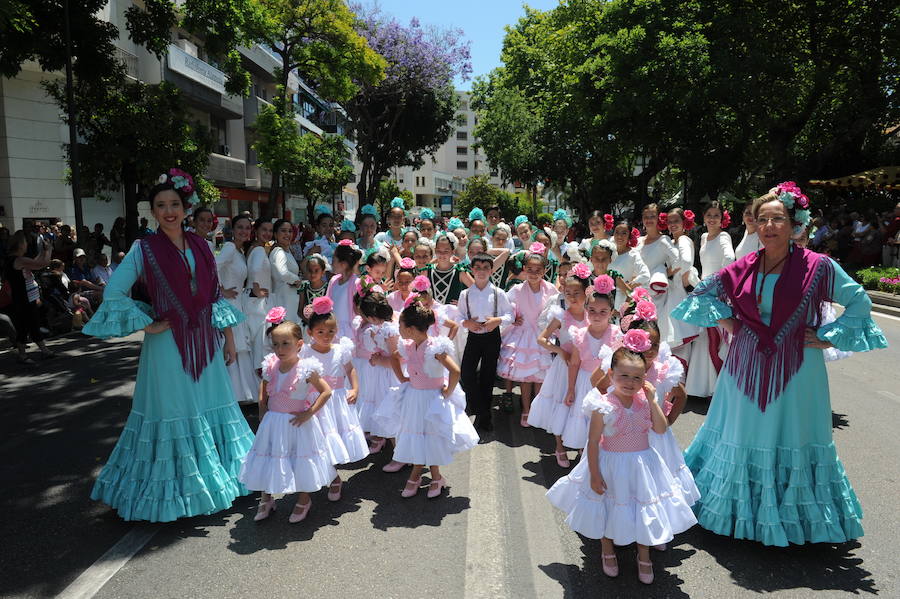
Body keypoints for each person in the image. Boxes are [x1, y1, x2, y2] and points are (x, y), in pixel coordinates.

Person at [672, 181, 888, 546]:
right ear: (753, 224)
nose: (769, 226)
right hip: (744, 366)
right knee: (744, 433)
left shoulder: (819, 267)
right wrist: (729, 323)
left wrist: (828, 335)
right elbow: (704, 294)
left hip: (799, 370)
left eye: (778, 218)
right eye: (763, 219)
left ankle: (794, 521)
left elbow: (859, 302)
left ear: (795, 224)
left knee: (792, 435)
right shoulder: (743, 267)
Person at [82, 169, 253, 522]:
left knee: (213, 405)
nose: (169, 211)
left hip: (206, 343)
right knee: (175, 414)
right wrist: (149, 322)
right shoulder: (144, 248)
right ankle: (177, 495)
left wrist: (230, 339)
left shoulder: (203, 246)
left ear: (185, 206)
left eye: (174, 204)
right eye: (161, 205)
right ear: (153, 210)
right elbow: (114, 292)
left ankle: (225, 480)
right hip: (168, 349)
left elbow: (214, 297)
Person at [547, 336, 698, 584]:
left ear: (644, 379)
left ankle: (644, 554)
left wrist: (652, 399)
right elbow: (593, 442)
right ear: (611, 373)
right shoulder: (602, 405)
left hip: (643, 464)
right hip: (611, 464)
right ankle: (607, 550)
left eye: (637, 377)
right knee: (609, 505)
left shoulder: (644, 402)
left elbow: (660, 429)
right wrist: (595, 474)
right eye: (624, 376)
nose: (630, 382)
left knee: (642, 508)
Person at [240, 314, 334, 523]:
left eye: (285, 344)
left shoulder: (307, 368)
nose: (279, 349)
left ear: (299, 344)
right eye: (275, 344)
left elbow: (326, 392)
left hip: (297, 423)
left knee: (300, 459)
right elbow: (264, 385)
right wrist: (262, 408)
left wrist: (309, 413)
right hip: (273, 422)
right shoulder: (271, 364)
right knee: (268, 457)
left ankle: (304, 498)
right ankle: (266, 498)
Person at [388, 301, 479, 498]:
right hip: (414, 397)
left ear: (411, 329)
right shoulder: (408, 346)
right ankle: (434, 477)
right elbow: (394, 357)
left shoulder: (435, 347)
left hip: (431, 399)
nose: (399, 330)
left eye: (401, 326)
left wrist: (447, 391)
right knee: (418, 435)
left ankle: (420, 477)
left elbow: (455, 371)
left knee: (430, 436)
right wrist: (403, 378)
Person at [300, 298, 367, 503]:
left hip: (337, 401)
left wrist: (355, 388)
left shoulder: (341, 349)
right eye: (320, 332)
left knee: (333, 441)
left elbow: (350, 369)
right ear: (310, 332)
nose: (326, 336)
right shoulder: (304, 352)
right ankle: (330, 476)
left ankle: (333, 477)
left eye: (331, 331)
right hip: (315, 402)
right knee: (317, 441)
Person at [528, 262, 589, 466]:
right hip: (563, 368)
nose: (572, 296)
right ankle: (559, 446)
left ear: (586, 292)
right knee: (561, 404)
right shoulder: (561, 316)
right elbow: (541, 339)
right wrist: (560, 351)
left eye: (577, 292)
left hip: (585, 369)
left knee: (581, 406)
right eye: (568, 292)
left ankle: (581, 444)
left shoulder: (592, 316)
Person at [561, 277, 623, 451]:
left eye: (603, 311)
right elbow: (574, 364)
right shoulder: (580, 334)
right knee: (584, 417)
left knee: (605, 418)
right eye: (592, 310)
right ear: (586, 310)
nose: (597, 315)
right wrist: (571, 389)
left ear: (612, 312)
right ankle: (584, 452)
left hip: (608, 384)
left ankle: (603, 452)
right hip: (584, 383)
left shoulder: (617, 334)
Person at [497, 250, 558, 427]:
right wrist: (513, 318)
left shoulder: (551, 289)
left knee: (540, 378)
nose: (533, 273)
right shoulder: (516, 289)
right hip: (523, 335)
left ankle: (538, 412)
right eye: (529, 269)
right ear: (524, 269)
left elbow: (556, 310)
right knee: (525, 378)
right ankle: (526, 410)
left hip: (542, 335)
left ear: (544, 271)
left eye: (538, 270)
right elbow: (505, 308)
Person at [684, 201, 735, 399]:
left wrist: (715, 284)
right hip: (703, 290)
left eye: (716, 215)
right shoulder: (704, 237)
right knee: (703, 337)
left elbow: (730, 260)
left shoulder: (724, 236)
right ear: (703, 218)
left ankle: (718, 388)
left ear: (722, 219)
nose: (712, 219)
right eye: (709, 215)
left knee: (715, 338)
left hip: (714, 292)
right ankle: (702, 387)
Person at [458, 253, 514, 431]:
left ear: (491, 270)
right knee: (467, 373)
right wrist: (466, 323)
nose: (481, 271)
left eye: (485, 268)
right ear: (472, 270)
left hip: (492, 335)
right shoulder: (465, 294)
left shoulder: (498, 293)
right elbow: (459, 315)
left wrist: (496, 321)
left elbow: (510, 314)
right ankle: (478, 408)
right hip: (473, 335)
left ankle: (484, 416)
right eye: (477, 268)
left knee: (487, 376)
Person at [216, 214, 256, 405]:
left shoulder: (240, 251)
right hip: (229, 303)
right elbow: (213, 266)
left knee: (240, 347)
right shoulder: (230, 247)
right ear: (232, 229)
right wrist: (220, 290)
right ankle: (231, 394)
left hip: (239, 302)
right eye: (240, 227)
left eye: (247, 228)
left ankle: (242, 393)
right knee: (233, 346)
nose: (244, 231)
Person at [4, 230, 54, 364]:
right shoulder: (19, 260)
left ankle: (25, 354)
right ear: (20, 245)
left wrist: (43, 252)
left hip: (21, 299)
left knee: (25, 326)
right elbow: (42, 264)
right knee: (31, 324)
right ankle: (43, 351)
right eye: (25, 242)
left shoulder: (14, 260)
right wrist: (49, 250)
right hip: (24, 299)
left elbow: (34, 262)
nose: (27, 245)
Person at [637, 204, 679, 342]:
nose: (649, 220)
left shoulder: (663, 240)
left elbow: (679, 261)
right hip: (637, 294)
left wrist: (663, 273)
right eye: (646, 217)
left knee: (654, 335)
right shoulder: (638, 241)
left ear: (658, 219)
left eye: (652, 216)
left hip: (656, 295)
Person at [662, 208, 699, 352]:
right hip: (675, 285)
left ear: (684, 223)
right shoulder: (672, 241)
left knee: (681, 329)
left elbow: (686, 261)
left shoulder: (683, 239)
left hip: (681, 285)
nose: (672, 224)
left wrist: (670, 273)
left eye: (676, 221)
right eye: (669, 222)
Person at [244, 218, 274, 372]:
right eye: (264, 230)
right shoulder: (259, 249)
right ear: (256, 231)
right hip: (257, 302)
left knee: (259, 343)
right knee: (260, 344)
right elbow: (255, 270)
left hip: (254, 301)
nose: (267, 233)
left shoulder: (256, 248)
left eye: (270, 230)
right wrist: (257, 289)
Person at [609, 222, 650, 313]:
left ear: (629, 236)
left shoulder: (633, 254)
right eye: (617, 232)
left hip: (622, 298)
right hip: (606, 297)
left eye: (624, 233)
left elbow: (645, 275)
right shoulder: (609, 252)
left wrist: (629, 285)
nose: (620, 236)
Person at [325, 241, 362, 343]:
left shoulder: (356, 283)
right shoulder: (333, 281)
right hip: (332, 328)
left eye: (334, 260)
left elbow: (359, 310)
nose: (331, 263)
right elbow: (328, 303)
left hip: (348, 331)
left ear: (343, 264)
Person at [269, 219, 302, 319]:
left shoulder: (287, 251)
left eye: (290, 231)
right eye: (283, 231)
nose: (287, 234)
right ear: (275, 234)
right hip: (283, 298)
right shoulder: (279, 251)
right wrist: (297, 280)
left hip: (289, 297)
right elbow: (283, 273)